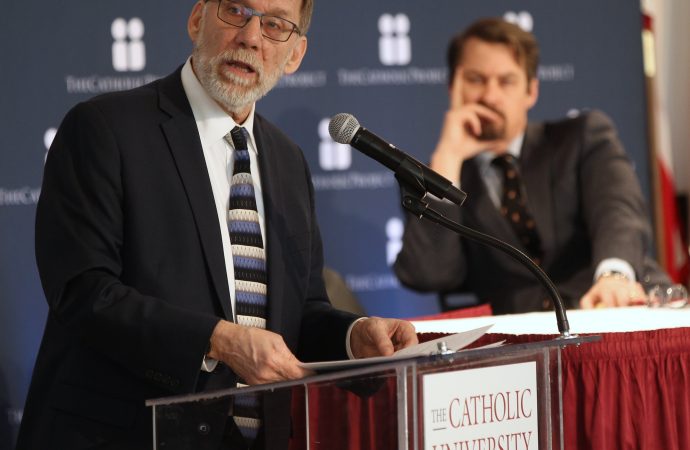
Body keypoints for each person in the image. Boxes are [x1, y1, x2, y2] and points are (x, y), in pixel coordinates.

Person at [17, 0, 418, 449]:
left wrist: (351, 338)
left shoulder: (287, 160)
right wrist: (218, 341)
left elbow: (299, 312)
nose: (250, 37)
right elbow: (83, 291)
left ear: (295, 55)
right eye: (235, 11)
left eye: (275, 25)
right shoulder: (105, 129)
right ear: (196, 19)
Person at [394, 18, 670, 314]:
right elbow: (429, 275)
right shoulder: (433, 174)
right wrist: (448, 158)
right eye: (475, 79)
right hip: (522, 345)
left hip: (615, 309)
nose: (490, 96)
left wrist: (613, 276)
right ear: (453, 87)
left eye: (506, 81)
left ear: (531, 91)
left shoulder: (582, 137)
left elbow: (618, 212)